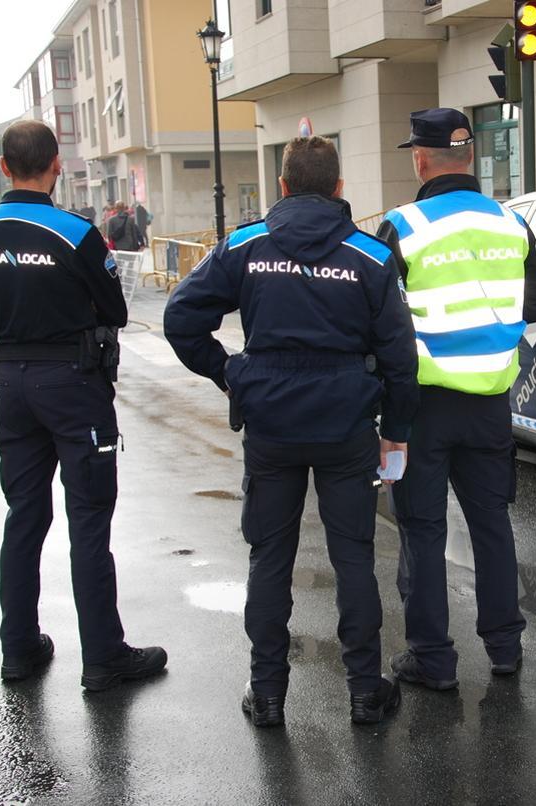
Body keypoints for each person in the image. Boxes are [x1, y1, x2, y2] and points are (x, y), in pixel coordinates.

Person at [164, 135, 419, 727]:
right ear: (338, 189)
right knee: (353, 555)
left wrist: (230, 373)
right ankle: (363, 690)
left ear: (282, 186)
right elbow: (400, 358)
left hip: (271, 426)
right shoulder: (370, 257)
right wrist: (397, 431)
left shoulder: (246, 246)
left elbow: (181, 317)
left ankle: (269, 694)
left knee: (269, 558)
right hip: (346, 426)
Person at [0, 120, 166, 692]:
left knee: (23, 517)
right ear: (57, 165)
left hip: (12, 383)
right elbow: (115, 308)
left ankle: (19, 647)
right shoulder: (74, 233)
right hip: (72, 383)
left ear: (4, 167)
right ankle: (104, 655)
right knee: (88, 520)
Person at [376, 108, 536, 691]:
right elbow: (535, 307)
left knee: (422, 529)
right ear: (470, 156)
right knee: (491, 524)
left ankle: (433, 659)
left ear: (421, 160)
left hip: (423, 406)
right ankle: (505, 647)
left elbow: (383, 325)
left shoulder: (403, 226)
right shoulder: (511, 223)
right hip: (492, 403)